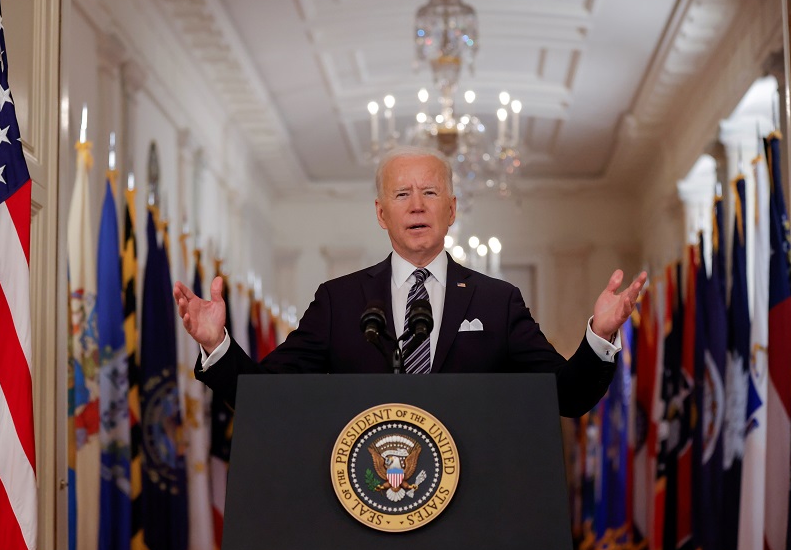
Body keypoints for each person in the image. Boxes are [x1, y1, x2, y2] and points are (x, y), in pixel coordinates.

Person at [174, 146, 646, 417]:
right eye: (402, 194)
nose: (417, 205)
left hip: (470, 518)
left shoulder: (498, 302)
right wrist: (216, 346)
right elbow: (266, 396)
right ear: (382, 213)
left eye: (430, 192)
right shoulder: (339, 301)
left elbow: (566, 395)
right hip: (367, 514)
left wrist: (600, 335)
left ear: (452, 209)